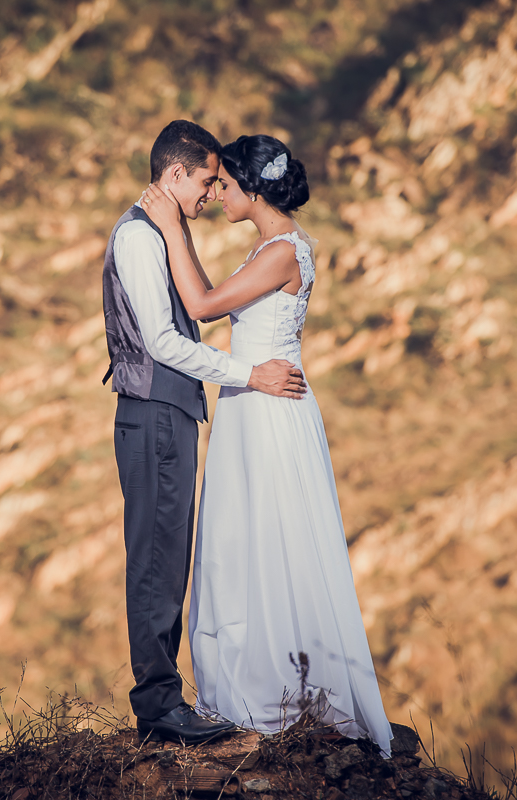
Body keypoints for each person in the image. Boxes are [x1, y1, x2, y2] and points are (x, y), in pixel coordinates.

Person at [141, 134, 393, 756]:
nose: (218, 193)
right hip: (251, 402)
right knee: (244, 535)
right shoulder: (274, 247)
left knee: (269, 534)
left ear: (253, 190)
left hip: (268, 407)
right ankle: (256, 678)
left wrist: (170, 226)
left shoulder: (282, 251)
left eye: (225, 184)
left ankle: (282, 685)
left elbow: (199, 305)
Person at [101, 120, 308, 746]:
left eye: (219, 183)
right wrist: (247, 374)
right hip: (155, 411)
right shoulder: (140, 239)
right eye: (205, 181)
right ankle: (160, 706)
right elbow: (163, 341)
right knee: (157, 559)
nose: (209, 194)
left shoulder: (162, 231)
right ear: (175, 175)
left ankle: (163, 700)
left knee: (168, 554)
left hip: (169, 412)